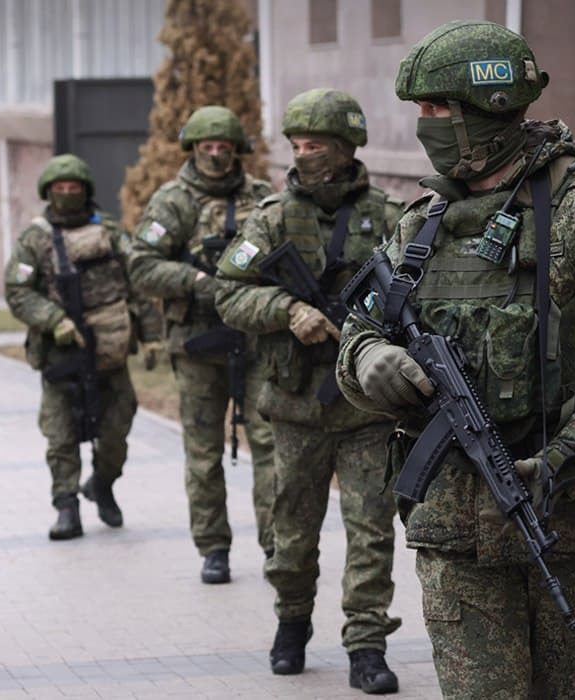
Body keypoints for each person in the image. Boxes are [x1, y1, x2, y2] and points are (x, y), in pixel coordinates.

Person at [335, 20, 575, 698]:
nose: (425, 126)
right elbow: (359, 328)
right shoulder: (419, 224)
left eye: (437, 111)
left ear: (485, 114)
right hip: (454, 530)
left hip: (568, 524)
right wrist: (367, 358)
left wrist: (566, 461)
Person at [214, 89, 404, 694]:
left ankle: (366, 644)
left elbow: (419, 294)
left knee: (371, 530)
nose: (304, 155)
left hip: (367, 407)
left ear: (347, 148)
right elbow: (228, 292)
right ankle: (291, 623)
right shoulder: (270, 217)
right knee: (291, 535)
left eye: (315, 145)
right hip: (295, 408)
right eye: (296, 146)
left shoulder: (390, 215)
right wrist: (287, 308)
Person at [128, 106, 276, 585]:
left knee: (273, 446)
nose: (215, 155)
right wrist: (196, 280)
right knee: (203, 451)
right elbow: (141, 264)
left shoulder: (261, 197)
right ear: (193, 149)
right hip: (196, 342)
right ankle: (213, 546)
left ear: (237, 151)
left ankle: (279, 544)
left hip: (256, 341)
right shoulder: (173, 201)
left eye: (224, 147)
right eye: (207, 147)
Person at [4, 154, 162, 541]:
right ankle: (66, 507)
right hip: (61, 356)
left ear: (86, 190)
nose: (67, 195)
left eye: (74, 189)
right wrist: (54, 320)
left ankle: (103, 484)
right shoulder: (35, 239)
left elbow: (136, 281)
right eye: (60, 189)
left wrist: (152, 335)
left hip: (109, 351)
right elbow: (17, 290)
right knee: (60, 436)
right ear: (48, 192)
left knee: (116, 432)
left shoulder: (108, 231)